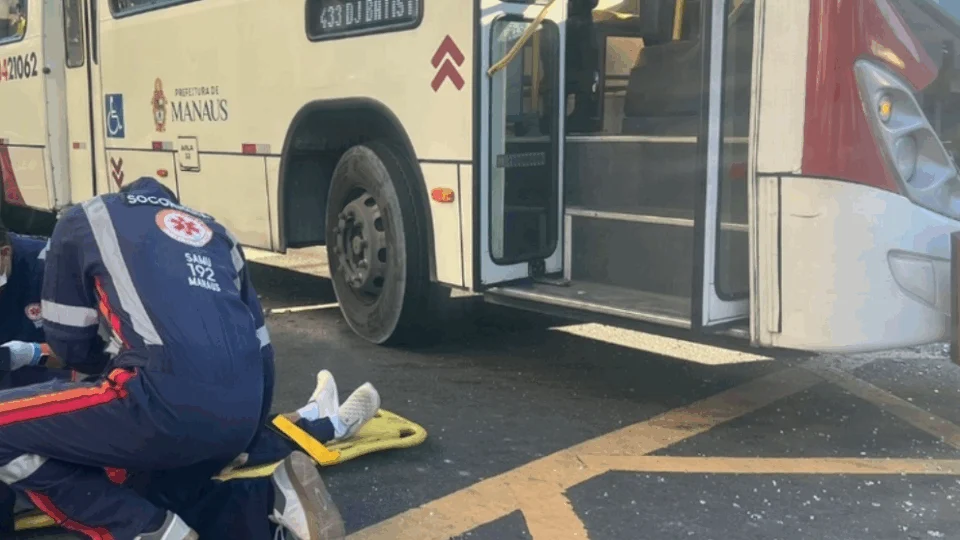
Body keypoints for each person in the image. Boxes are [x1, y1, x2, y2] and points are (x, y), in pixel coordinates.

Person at [0, 176, 366, 539]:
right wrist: (247, 436)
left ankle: (142, 532)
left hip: (155, 395)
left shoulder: (82, 220)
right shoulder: (218, 235)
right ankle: (269, 501)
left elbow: (69, 345)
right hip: (238, 415)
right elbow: (262, 351)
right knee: (145, 491)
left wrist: (94, 368)